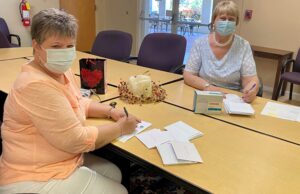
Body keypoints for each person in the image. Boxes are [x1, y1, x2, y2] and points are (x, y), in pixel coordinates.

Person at [0, 8, 139, 194]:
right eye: (56, 46)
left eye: (69, 46)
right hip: (33, 174)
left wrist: (110, 111)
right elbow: (76, 140)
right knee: (119, 191)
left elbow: (79, 102)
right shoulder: (35, 85)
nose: (64, 52)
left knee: (114, 173)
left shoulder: (59, 71)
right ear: (36, 45)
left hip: (56, 157)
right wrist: (121, 128)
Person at [183, 0, 259, 103]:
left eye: (231, 19)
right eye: (223, 18)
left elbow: (250, 80)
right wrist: (207, 86)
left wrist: (252, 89)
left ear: (236, 23)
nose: (226, 22)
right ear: (214, 20)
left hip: (231, 98)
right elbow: (188, 75)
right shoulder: (200, 43)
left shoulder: (243, 46)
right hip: (203, 93)